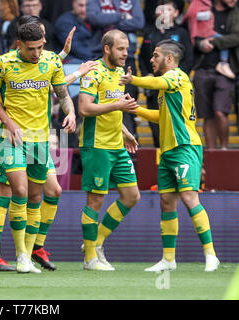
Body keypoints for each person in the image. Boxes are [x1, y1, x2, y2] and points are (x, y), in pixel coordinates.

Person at [0, 16, 97, 272]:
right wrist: (8, 122)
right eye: (31, 48)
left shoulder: (50, 61)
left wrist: (70, 112)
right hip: (11, 138)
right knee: (19, 191)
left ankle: (30, 250)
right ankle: (19, 255)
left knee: (38, 195)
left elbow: (61, 94)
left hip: (40, 140)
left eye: (40, 47)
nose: (36, 53)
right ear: (19, 45)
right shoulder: (2, 64)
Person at [119, 39, 220, 272]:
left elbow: (155, 82)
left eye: (155, 55)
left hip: (185, 146)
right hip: (168, 151)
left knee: (189, 198)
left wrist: (133, 80)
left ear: (169, 59)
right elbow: (161, 116)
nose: (151, 59)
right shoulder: (169, 88)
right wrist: (135, 109)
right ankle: (168, 260)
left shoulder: (177, 76)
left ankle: (211, 255)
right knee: (166, 203)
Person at [78, 29, 140, 271]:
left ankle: (97, 241)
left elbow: (111, 109)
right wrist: (118, 104)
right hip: (97, 146)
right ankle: (90, 259)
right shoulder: (94, 72)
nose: (126, 53)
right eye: (121, 49)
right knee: (96, 200)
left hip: (116, 144)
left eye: (126, 48)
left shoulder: (119, 74)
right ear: (107, 48)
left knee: (132, 196)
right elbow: (84, 108)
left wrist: (125, 132)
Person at [139, 0, 194, 148]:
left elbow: (189, 59)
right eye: (160, 10)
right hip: (153, 87)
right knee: (156, 130)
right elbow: (142, 57)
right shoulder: (150, 32)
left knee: (174, 121)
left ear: (176, 13)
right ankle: (161, 156)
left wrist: (173, 76)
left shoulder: (181, 32)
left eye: (167, 10)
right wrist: (147, 74)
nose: (163, 13)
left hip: (173, 87)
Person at [86, 0, 145, 139]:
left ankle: (131, 140)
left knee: (129, 101)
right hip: (99, 56)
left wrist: (109, 21)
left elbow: (139, 22)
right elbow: (94, 19)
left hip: (128, 60)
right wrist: (122, 16)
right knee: (102, 98)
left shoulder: (132, 1)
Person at [192, 0, 239, 150]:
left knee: (220, 112)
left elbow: (237, 37)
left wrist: (214, 41)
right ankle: (212, 153)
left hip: (226, 70)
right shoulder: (202, 8)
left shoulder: (236, 13)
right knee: (207, 116)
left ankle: (224, 151)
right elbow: (192, 34)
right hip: (202, 68)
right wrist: (200, 44)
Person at [184, 0, 235, 79]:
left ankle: (223, 63)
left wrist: (212, 41)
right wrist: (206, 15)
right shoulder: (198, 3)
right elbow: (190, 15)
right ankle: (223, 63)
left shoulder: (234, 11)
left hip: (227, 71)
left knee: (222, 41)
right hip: (201, 66)